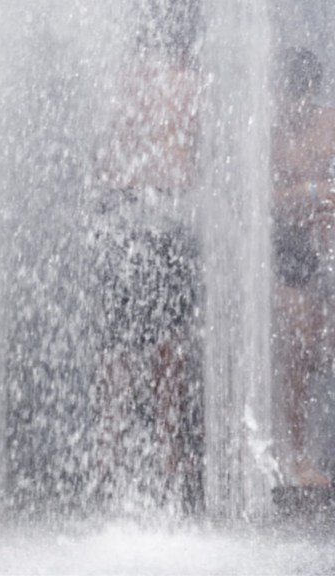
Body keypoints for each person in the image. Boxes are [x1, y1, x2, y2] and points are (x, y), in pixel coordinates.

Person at [89, 0, 204, 512]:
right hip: (170, 209)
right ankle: (170, 461)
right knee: (169, 346)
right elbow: (200, 153)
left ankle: (104, 458)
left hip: (119, 212)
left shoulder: (118, 78)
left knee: (117, 343)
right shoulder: (193, 82)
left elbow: (99, 150)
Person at [271, 47, 334, 487]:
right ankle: (295, 456)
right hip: (286, 245)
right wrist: (311, 191)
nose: (295, 106)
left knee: (315, 350)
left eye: (302, 96)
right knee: (300, 348)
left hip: (323, 240)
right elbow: (259, 200)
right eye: (287, 94)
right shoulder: (266, 129)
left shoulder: (329, 123)